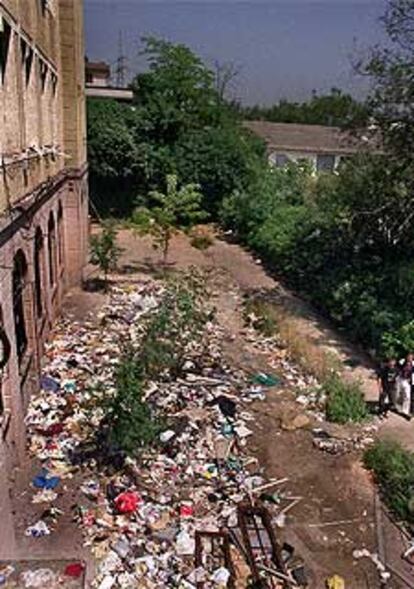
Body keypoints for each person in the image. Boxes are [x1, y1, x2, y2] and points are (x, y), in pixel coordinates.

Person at [397, 353, 414, 419]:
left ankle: (405, 411)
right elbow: (397, 365)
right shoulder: (402, 361)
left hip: (407, 381)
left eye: (411, 357)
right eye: (409, 357)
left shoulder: (413, 364)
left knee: (407, 396)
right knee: (398, 394)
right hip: (400, 379)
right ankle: (397, 406)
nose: (409, 358)